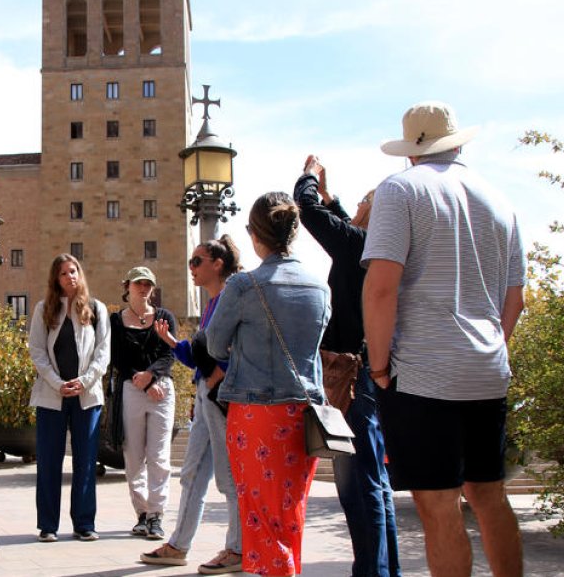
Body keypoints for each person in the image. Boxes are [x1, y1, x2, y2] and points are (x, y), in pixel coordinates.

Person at [361, 102, 526, 577]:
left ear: (410, 152)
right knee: (490, 494)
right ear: (457, 143)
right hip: (486, 370)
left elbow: (381, 287)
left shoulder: (401, 189)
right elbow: (515, 299)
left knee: (438, 506)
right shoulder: (499, 199)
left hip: (423, 371)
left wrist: (378, 366)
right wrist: (490, 350)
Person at [207, 192, 331, 577]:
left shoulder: (245, 286)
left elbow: (214, 343)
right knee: (290, 513)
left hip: (254, 414)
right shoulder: (319, 288)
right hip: (304, 414)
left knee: (259, 517)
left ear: (255, 235)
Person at [296, 154, 401, 577]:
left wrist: (308, 177)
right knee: (375, 484)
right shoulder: (380, 249)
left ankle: (371, 573)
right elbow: (340, 221)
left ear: (374, 213)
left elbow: (309, 213)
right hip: (372, 375)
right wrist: (332, 196)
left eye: (362, 201)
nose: (354, 207)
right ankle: (384, 569)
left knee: (358, 486)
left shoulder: (359, 246)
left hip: (350, 378)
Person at [141, 236, 245, 574]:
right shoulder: (214, 302)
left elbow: (242, 344)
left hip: (220, 397)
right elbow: (201, 355)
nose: (192, 268)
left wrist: (218, 376)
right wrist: (172, 343)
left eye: (197, 261)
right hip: (206, 397)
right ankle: (178, 545)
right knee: (192, 474)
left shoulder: (231, 296)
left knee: (228, 476)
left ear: (218, 264)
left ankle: (238, 549)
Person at [28, 253, 110, 543]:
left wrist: (84, 381)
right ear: (56, 279)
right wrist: (57, 382)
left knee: (86, 462)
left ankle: (84, 523)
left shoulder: (96, 309)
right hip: (52, 396)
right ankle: (48, 525)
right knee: (48, 461)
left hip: (86, 397)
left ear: (80, 274)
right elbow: (37, 350)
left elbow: (103, 354)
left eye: (73, 271)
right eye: (63, 273)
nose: (70, 277)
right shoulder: (43, 309)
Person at [109, 266, 177, 540]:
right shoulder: (116, 321)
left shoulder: (164, 317)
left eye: (148, 283)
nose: (144, 287)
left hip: (161, 389)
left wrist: (152, 377)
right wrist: (142, 380)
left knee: (159, 457)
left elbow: (169, 351)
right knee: (134, 456)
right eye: (139, 282)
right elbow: (116, 358)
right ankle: (142, 514)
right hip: (131, 388)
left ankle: (156, 515)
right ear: (128, 286)